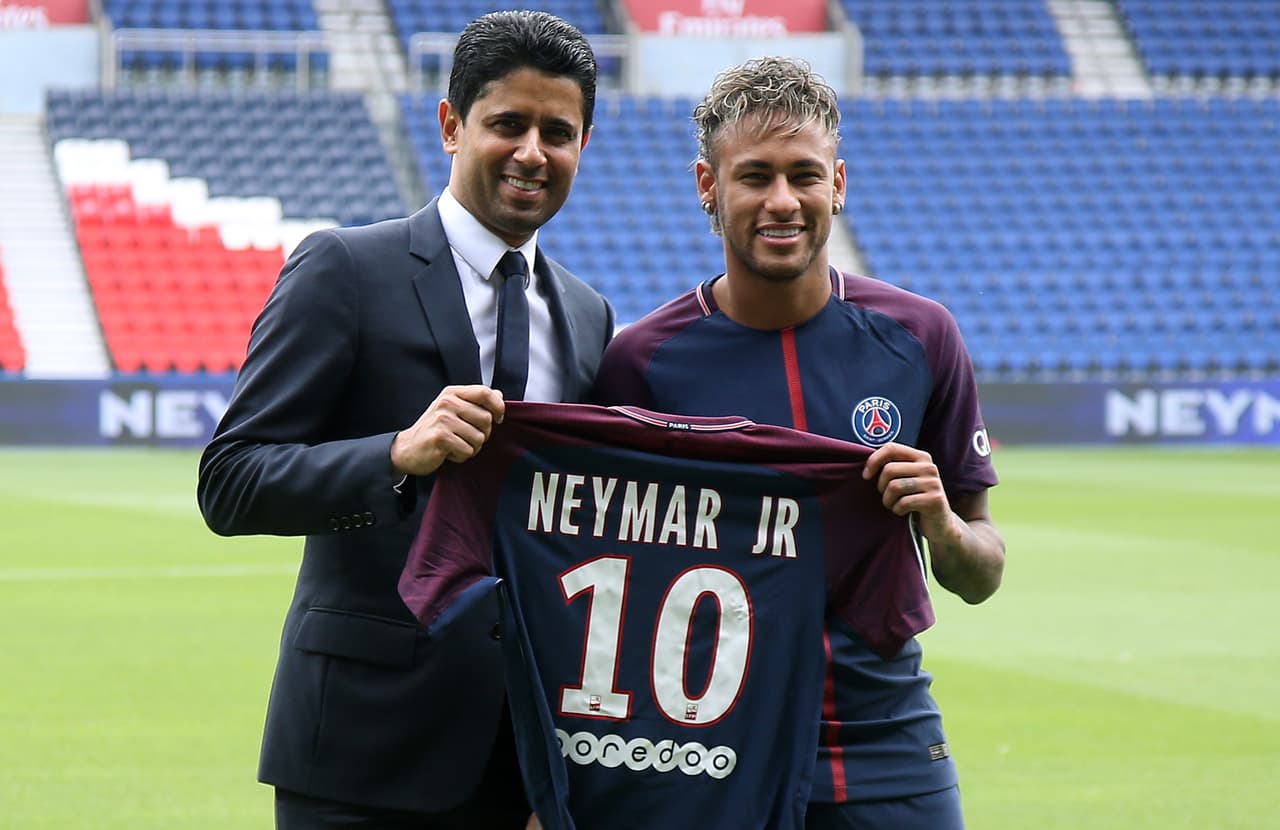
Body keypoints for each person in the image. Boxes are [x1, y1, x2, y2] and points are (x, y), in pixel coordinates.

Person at [196, 10, 613, 829]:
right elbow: (231, 481)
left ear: (583, 145)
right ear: (452, 125)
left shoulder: (588, 315)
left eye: (557, 132)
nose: (533, 152)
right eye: (508, 124)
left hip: (524, 759)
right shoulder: (343, 269)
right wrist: (396, 453)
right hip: (361, 750)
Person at [589, 56, 1006, 829]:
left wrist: (942, 524)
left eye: (804, 175)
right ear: (708, 188)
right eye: (755, 176)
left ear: (838, 184)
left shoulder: (920, 337)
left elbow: (981, 571)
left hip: (886, 745)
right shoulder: (639, 362)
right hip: (706, 751)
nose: (783, 201)